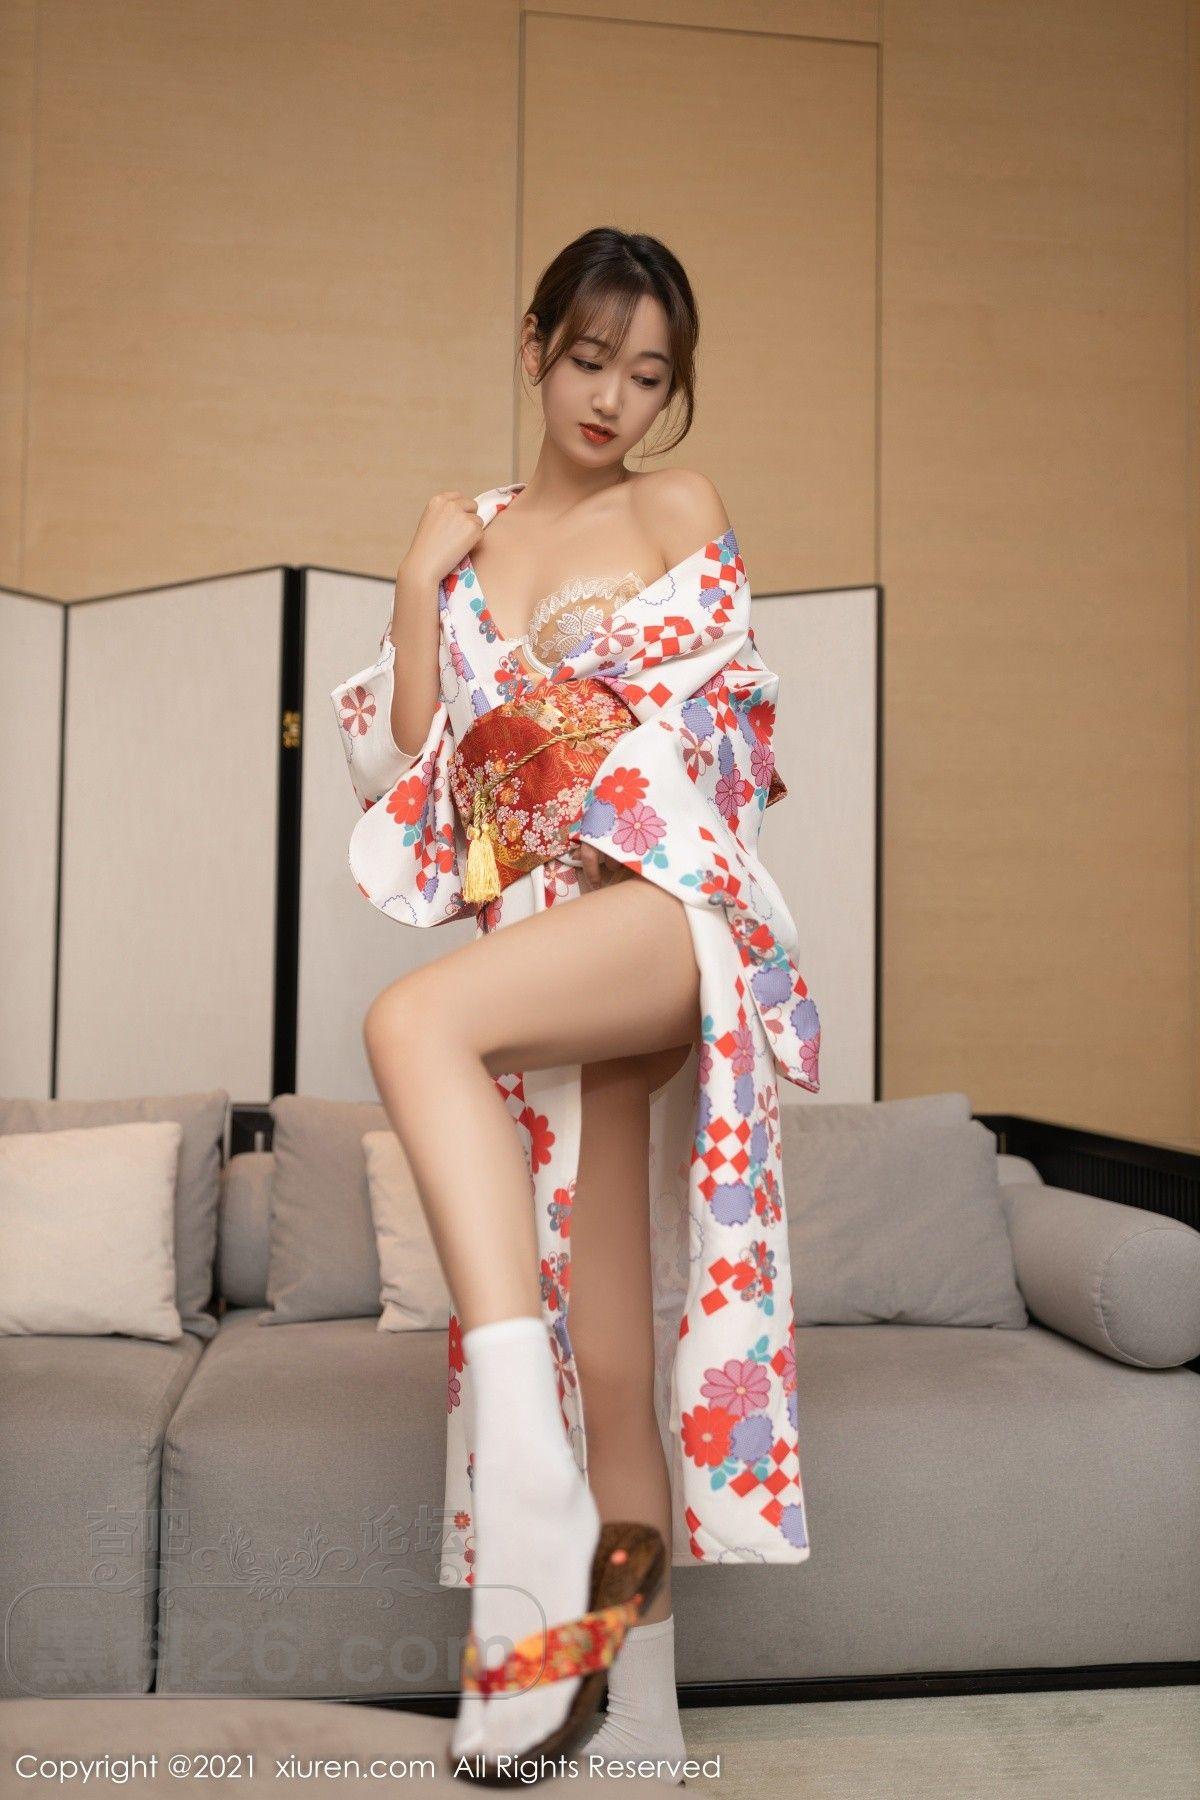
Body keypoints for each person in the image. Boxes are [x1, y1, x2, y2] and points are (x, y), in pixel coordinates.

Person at [330, 228, 821, 1785]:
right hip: (543, 952)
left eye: (650, 375)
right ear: (535, 345)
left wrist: (524, 759)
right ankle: (634, 1726)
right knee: (603, 1356)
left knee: (411, 1024)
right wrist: (418, 583)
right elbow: (418, 787)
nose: (614, 399)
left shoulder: (675, 508)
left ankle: (526, 1484)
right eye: (592, 358)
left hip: (665, 913)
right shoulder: (464, 554)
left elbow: (709, 732)